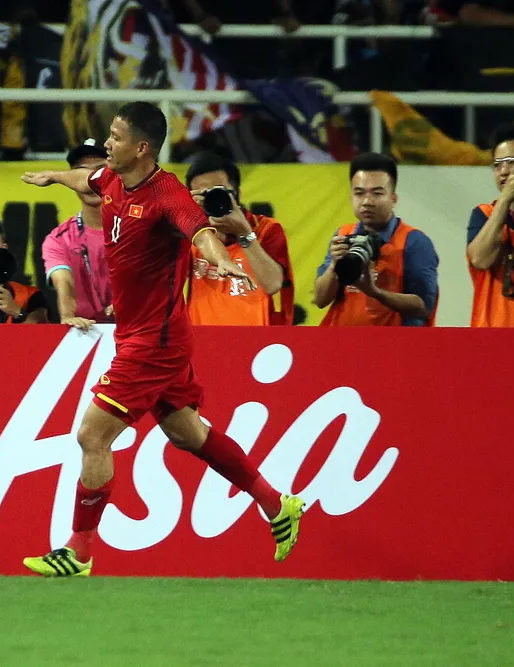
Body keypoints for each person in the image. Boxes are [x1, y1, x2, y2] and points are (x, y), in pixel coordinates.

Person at [20, 102, 306, 577]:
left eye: (115, 137)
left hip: (156, 342)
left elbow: (200, 232)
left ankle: (79, 550)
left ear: (141, 148)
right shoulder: (111, 178)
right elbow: (85, 181)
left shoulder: (167, 195)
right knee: (188, 433)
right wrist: (53, 176)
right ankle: (277, 504)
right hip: (140, 335)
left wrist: (221, 258)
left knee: (92, 435)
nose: (106, 143)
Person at [314, 153, 439, 326]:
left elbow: (424, 307)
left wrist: (374, 292)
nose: (367, 201)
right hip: (341, 339)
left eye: (377, 193)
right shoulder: (343, 235)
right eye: (359, 193)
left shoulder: (414, 242)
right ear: (351, 197)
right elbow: (320, 300)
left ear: (393, 199)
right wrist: (334, 266)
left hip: (394, 341)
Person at [185, 151, 294, 326]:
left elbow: (273, 284)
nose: (213, 199)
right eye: (204, 194)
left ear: (237, 193)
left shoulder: (265, 228)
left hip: (252, 338)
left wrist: (244, 233)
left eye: (218, 191)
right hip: (201, 338)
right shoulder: (191, 233)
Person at [467, 124, 514, 327]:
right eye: (497, 165)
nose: (504, 171)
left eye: (513, 162)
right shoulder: (484, 214)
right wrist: (505, 199)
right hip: (492, 338)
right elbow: (480, 259)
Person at [41, 139, 114, 332]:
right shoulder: (58, 239)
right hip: (85, 334)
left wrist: (132, 303)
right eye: (81, 172)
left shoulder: (140, 226)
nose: (90, 180)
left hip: (139, 331)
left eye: (100, 170)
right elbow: (63, 282)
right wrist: (67, 316)